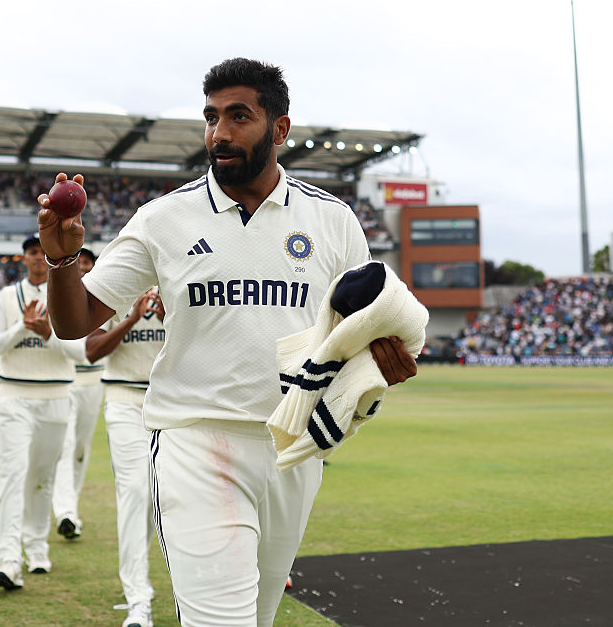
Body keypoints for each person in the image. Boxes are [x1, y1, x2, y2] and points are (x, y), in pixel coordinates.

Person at [38, 57, 418, 626]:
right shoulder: (163, 217)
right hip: (196, 438)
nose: (220, 133)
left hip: (293, 445)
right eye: (212, 117)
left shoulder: (333, 220)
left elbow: (363, 325)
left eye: (239, 116)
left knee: (258, 618)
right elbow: (74, 322)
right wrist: (62, 257)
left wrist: (386, 359)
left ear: (280, 129)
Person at [0, 234, 88, 590]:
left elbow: (80, 353)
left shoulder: (70, 293)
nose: (39, 259)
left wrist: (48, 333)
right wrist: (20, 328)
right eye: (32, 253)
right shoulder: (5, 298)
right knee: (12, 476)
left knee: (42, 477)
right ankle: (8, 560)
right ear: (24, 258)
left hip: (56, 396)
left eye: (44, 253)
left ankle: (37, 547)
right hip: (13, 394)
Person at [87, 287, 165, 627]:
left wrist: (170, 319)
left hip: (170, 403)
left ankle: (164, 587)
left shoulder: (179, 275)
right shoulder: (114, 289)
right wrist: (131, 319)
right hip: (124, 399)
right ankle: (138, 598)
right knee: (135, 491)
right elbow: (92, 351)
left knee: (163, 496)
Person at [51, 247, 102, 540]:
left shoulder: (104, 295)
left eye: (86, 263)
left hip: (94, 382)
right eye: (78, 262)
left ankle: (73, 508)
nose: (82, 267)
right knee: (66, 448)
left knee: (81, 452)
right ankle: (65, 511)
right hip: (67, 381)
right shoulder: (59, 293)